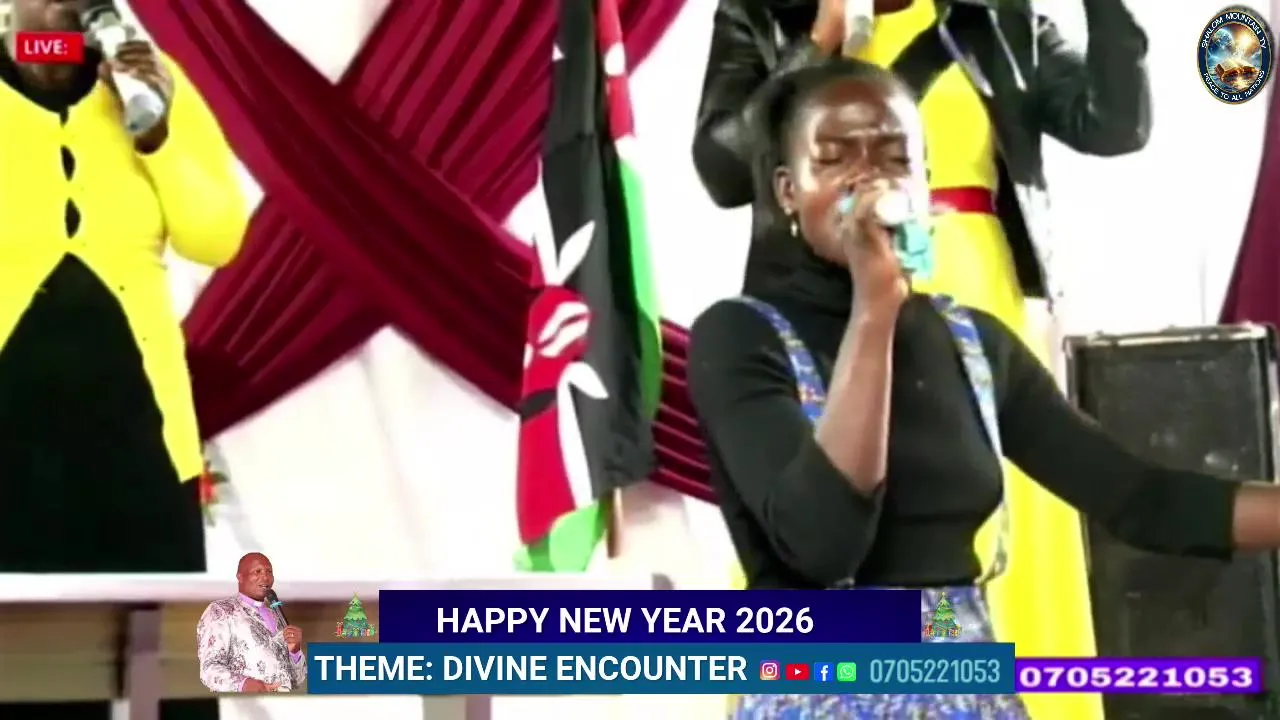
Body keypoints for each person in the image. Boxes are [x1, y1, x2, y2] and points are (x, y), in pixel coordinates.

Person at [687, 58, 1277, 718]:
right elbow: (824, 544)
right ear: (788, 190)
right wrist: (875, 307)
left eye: (896, 158)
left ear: (924, 182)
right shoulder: (740, 337)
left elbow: (1142, 499)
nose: (869, 177)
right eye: (834, 157)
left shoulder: (972, 343)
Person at [0, 1, 243, 714]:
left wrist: (157, 134)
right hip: (12, 449)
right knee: (34, 678)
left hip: (142, 443)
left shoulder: (153, 81)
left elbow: (216, 236)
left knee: (168, 680)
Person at [197, 553, 308, 693]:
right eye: (258, 571)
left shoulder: (277, 617)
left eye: (269, 572)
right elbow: (209, 668)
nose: (265, 577)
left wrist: (295, 652)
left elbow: (296, 681)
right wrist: (243, 684)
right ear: (240, 577)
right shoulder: (221, 611)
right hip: (244, 704)